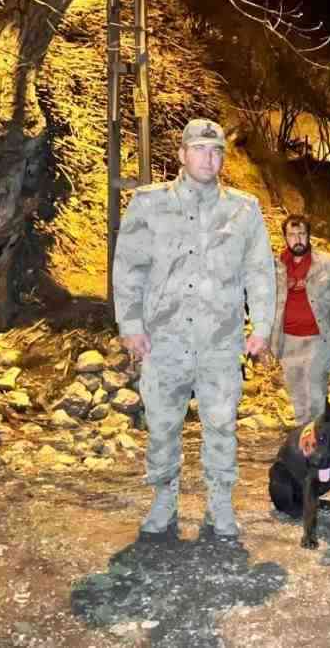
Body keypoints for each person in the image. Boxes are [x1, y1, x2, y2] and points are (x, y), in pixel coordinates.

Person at [113, 118, 275, 540]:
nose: (208, 158)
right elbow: (128, 267)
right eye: (200, 149)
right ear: (182, 154)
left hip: (220, 343)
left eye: (216, 150)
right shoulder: (149, 205)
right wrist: (130, 324)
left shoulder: (243, 209)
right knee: (163, 425)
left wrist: (262, 325)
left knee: (221, 425)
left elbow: (259, 271)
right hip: (163, 341)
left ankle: (219, 501)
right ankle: (164, 501)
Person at [268, 214, 330, 426]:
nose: (297, 239)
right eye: (292, 235)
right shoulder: (274, 268)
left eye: (301, 234)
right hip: (287, 341)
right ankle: (307, 446)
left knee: (315, 392)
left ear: (308, 236)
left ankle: (320, 446)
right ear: (285, 237)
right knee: (298, 399)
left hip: (319, 339)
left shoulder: (329, 264)